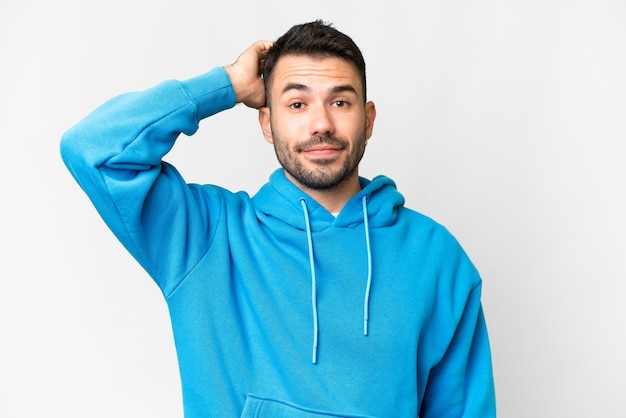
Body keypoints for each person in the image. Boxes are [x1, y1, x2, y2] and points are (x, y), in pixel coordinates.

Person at [61, 20, 496, 418]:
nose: (320, 124)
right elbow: (93, 150)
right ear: (266, 123)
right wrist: (227, 85)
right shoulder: (207, 236)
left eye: (340, 102)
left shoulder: (437, 257)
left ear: (368, 120)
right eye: (297, 103)